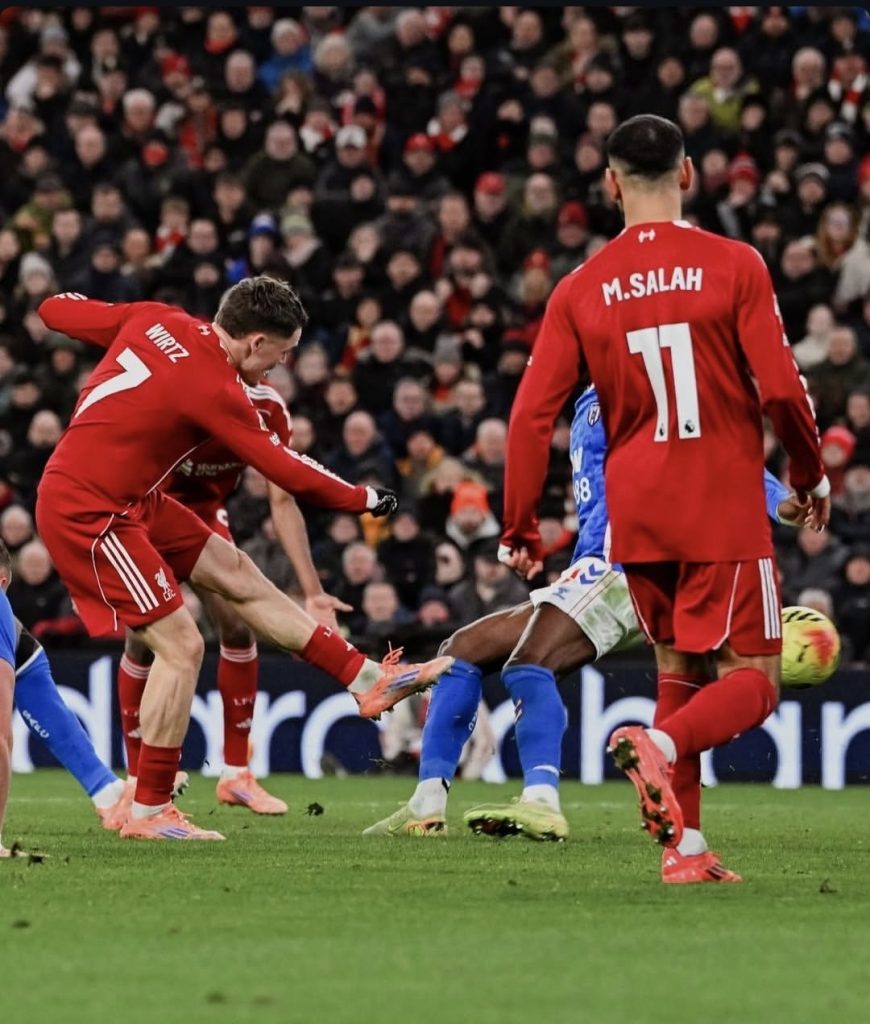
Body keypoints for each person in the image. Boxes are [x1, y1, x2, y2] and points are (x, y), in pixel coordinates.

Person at [497, 115, 829, 877]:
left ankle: (687, 847)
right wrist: (809, 477)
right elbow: (781, 389)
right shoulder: (735, 263)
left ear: (611, 185)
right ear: (688, 174)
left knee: (679, 672)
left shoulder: (580, 287)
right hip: (720, 502)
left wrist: (520, 526)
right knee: (754, 680)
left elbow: (529, 417)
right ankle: (661, 746)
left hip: (637, 514)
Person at [35, 276, 453, 841]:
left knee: (238, 573)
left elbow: (55, 309)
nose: (282, 365)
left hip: (134, 497)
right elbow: (283, 469)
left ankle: (367, 679)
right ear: (255, 342)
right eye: (283, 352)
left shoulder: (156, 317)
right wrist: (364, 498)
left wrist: (81, 313)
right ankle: (149, 810)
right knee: (181, 645)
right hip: (91, 510)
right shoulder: (217, 384)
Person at [364, 385, 810, 881]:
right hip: (593, 564)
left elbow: (703, 441)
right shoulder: (595, 394)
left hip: (620, 565)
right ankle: (427, 804)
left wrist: (777, 500)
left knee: (530, 664)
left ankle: (542, 799)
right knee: (462, 650)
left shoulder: (637, 378)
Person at [118, 375, 350, 816]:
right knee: (143, 637)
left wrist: (313, 591)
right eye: (278, 350)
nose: (280, 362)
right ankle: (135, 779)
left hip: (204, 516)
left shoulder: (270, 410)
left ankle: (236, 774)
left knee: (240, 627)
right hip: (147, 510)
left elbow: (283, 501)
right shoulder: (183, 387)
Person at [0, 539, 141, 856]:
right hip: (24, 656)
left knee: (33, 678)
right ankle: (107, 790)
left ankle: (106, 790)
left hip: (24, 658)